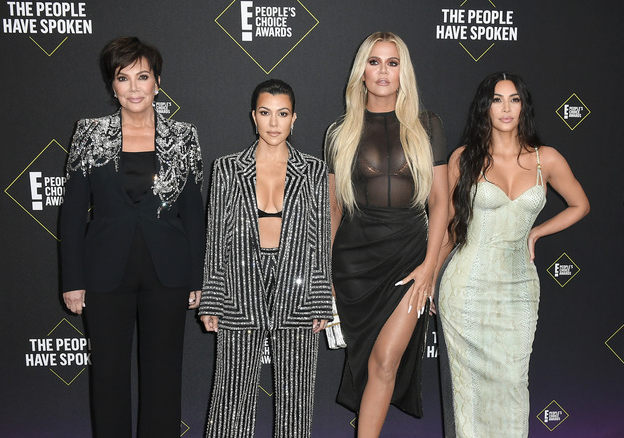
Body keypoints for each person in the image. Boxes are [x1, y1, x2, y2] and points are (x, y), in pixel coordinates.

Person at [60, 36, 205, 438]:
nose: (135, 87)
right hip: (105, 273)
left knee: (163, 376)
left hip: (168, 274)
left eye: (143, 77)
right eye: (124, 78)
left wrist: (198, 279)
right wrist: (73, 281)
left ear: (157, 82)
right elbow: (72, 215)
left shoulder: (184, 136)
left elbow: (194, 212)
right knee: (107, 376)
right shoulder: (89, 133)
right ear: (113, 85)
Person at [437, 72, 590, 437]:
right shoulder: (463, 159)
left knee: (512, 382)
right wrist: (430, 274)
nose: (506, 108)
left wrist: (537, 231)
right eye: (497, 99)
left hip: (519, 287)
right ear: (484, 107)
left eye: (514, 99)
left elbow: (580, 204)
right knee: (469, 389)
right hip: (466, 290)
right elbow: (449, 226)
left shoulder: (546, 159)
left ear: (524, 106)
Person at [325, 32, 448, 437]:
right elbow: (334, 210)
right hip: (355, 263)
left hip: (410, 258)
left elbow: (441, 204)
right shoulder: (339, 133)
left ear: (403, 73)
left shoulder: (428, 126)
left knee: (386, 361)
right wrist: (326, 277)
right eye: (374, 62)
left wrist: (430, 267)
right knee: (368, 362)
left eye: (392, 63)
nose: (383, 71)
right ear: (361, 71)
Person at [198, 79, 332, 438]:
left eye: (282, 113)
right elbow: (216, 239)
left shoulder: (315, 171)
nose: (274, 122)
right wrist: (212, 296)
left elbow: (319, 237)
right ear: (253, 117)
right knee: (231, 396)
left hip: (297, 285)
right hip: (240, 285)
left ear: (294, 119)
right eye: (265, 113)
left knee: (296, 399)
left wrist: (320, 298)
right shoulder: (226, 169)